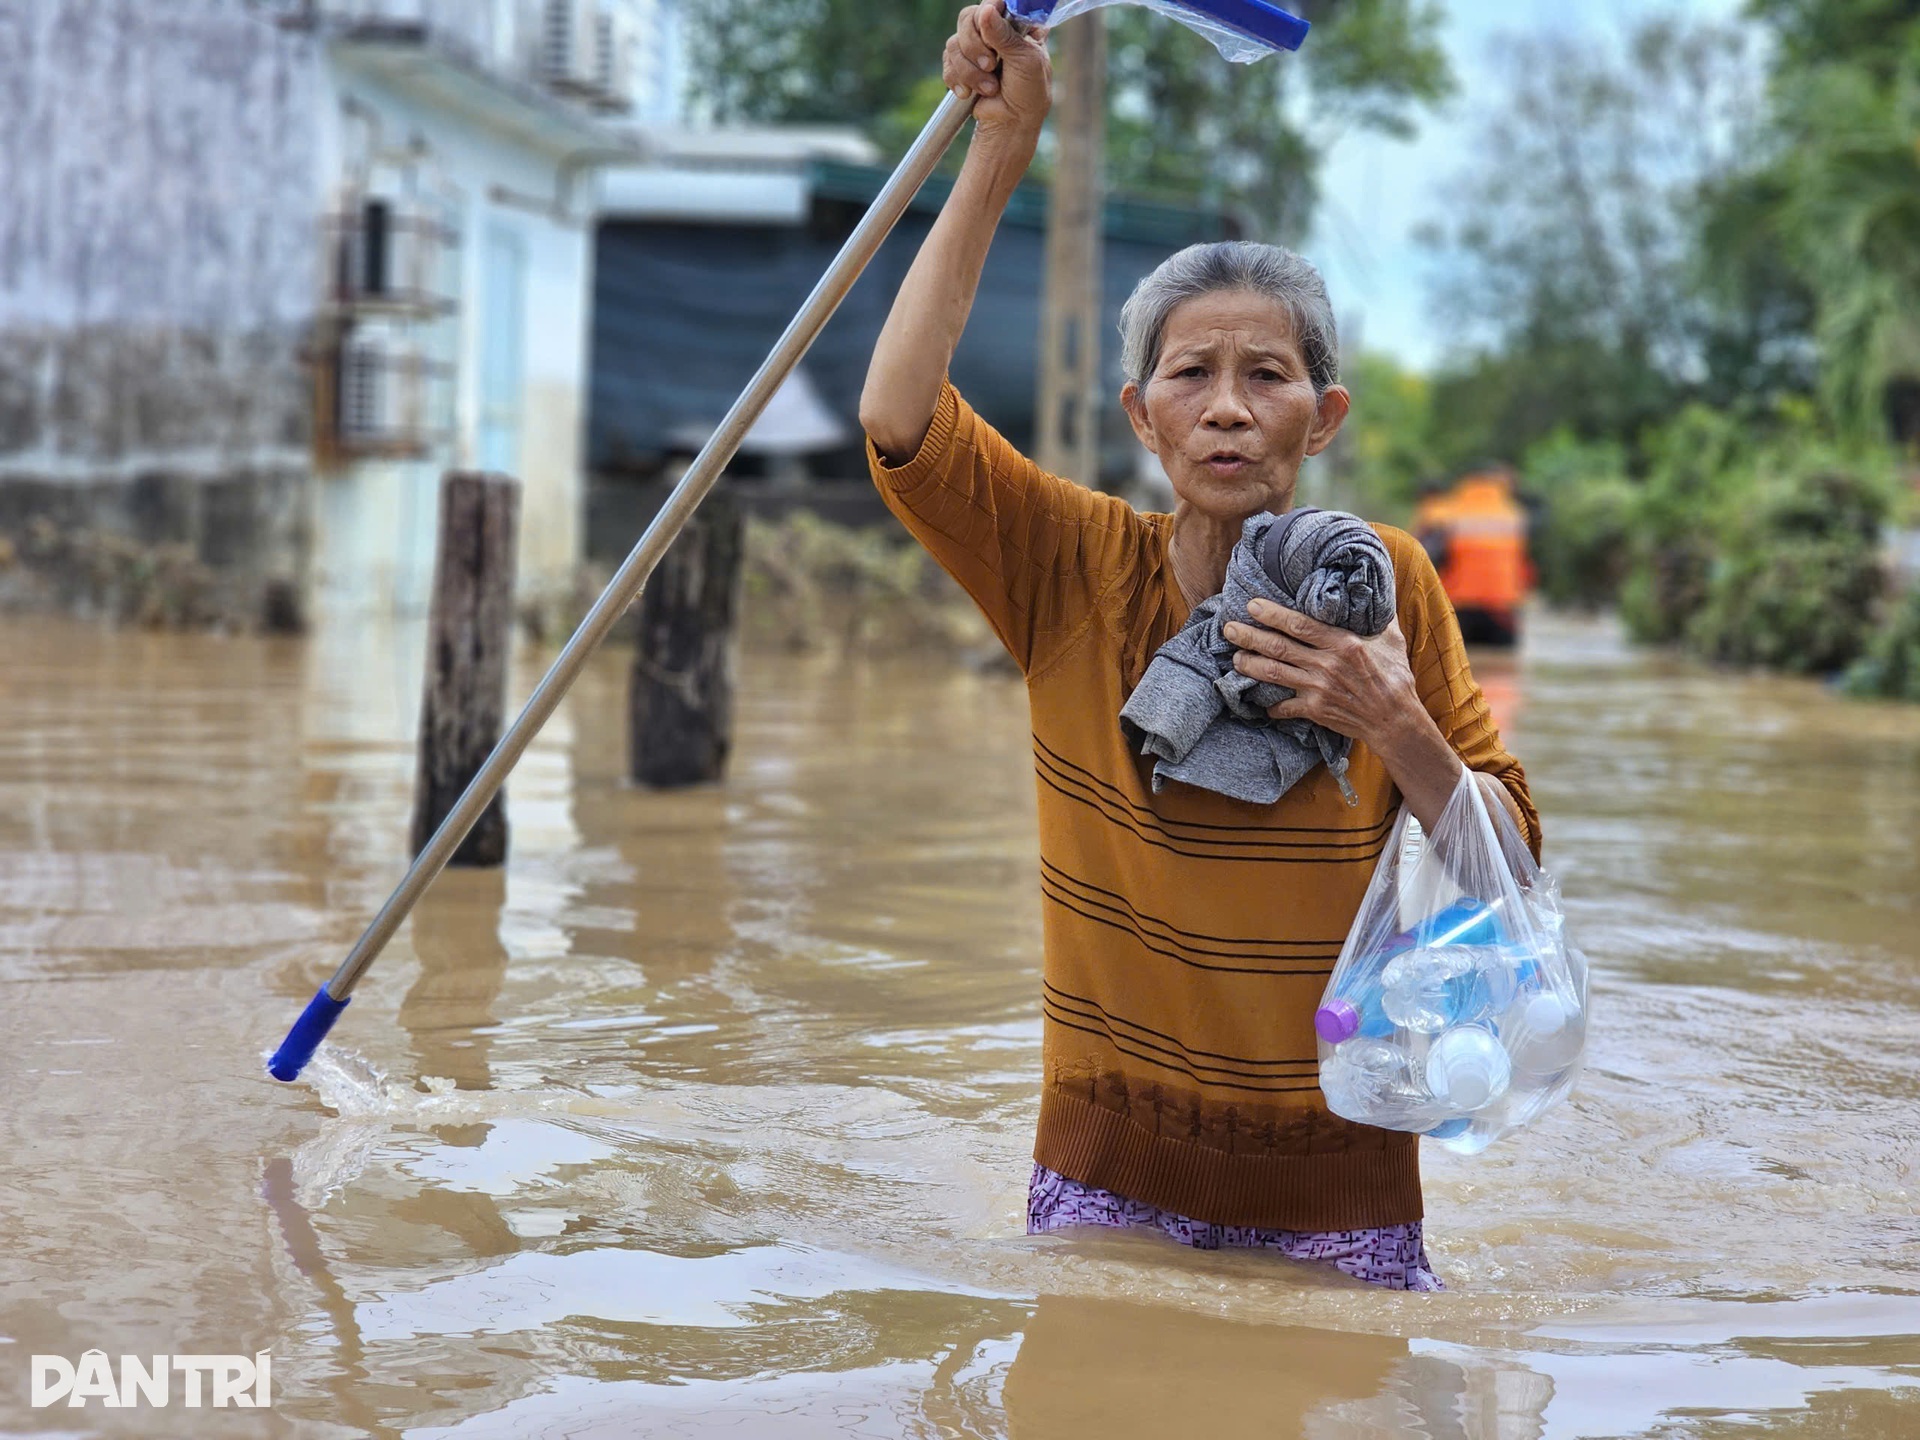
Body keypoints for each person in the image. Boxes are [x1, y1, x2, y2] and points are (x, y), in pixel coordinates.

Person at [859, 0, 1540, 1291]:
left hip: (1340, 1194)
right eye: (1191, 376)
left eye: (1268, 376)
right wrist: (999, 151)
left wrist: (1394, 720)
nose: (1228, 407)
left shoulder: (1387, 583)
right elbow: (899, 417)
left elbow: (1509, 863)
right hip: (1105, 1179)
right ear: (1142, 415)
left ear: (1323, 415)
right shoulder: (1069, 568)